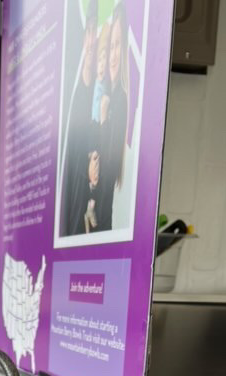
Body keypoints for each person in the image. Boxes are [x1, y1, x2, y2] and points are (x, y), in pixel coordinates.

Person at [59, 0, 98, 238]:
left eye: (96, 32)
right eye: (89, 32)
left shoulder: (100, 103)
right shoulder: (70, 100)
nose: (92, 42)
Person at [92, 2, 129, 233]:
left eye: (117, 46)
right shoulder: (110, 96)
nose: (112, 56)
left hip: (105, 215)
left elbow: (109, 162)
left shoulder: (120, 100)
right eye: (110, 47)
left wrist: (104, 118)